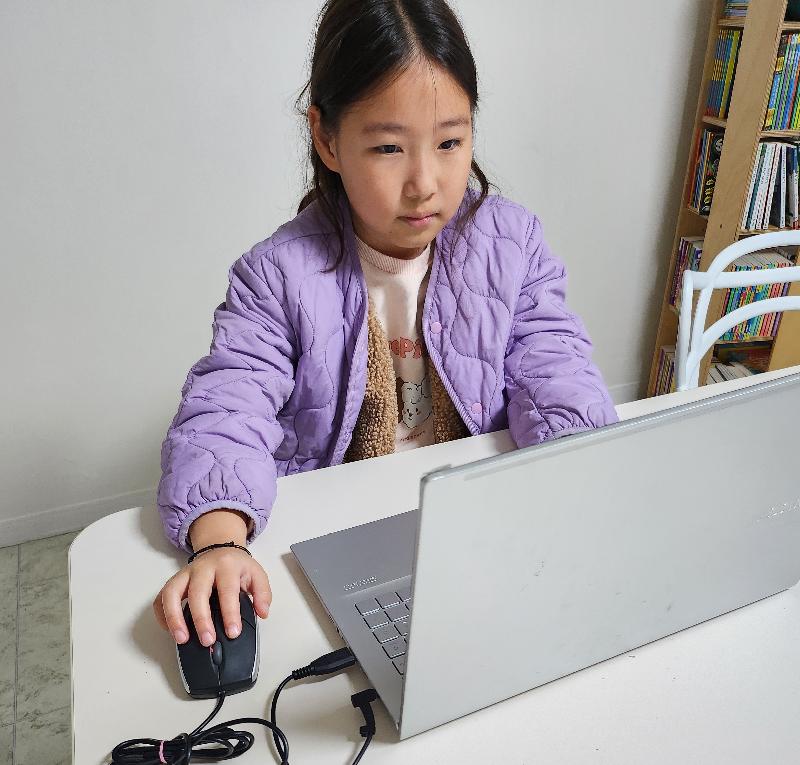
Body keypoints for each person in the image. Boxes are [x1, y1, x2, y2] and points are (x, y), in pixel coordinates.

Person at [152, 0, 619, 650]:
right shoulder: (277, 275)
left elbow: (556, 371)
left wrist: (583, 472)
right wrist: (221, 542)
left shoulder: (512, 245)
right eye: (388, 148)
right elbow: (226, 408)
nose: (424, 183)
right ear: (327, 139)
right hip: (339, 542)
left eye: (450, 142)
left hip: (471, 523)